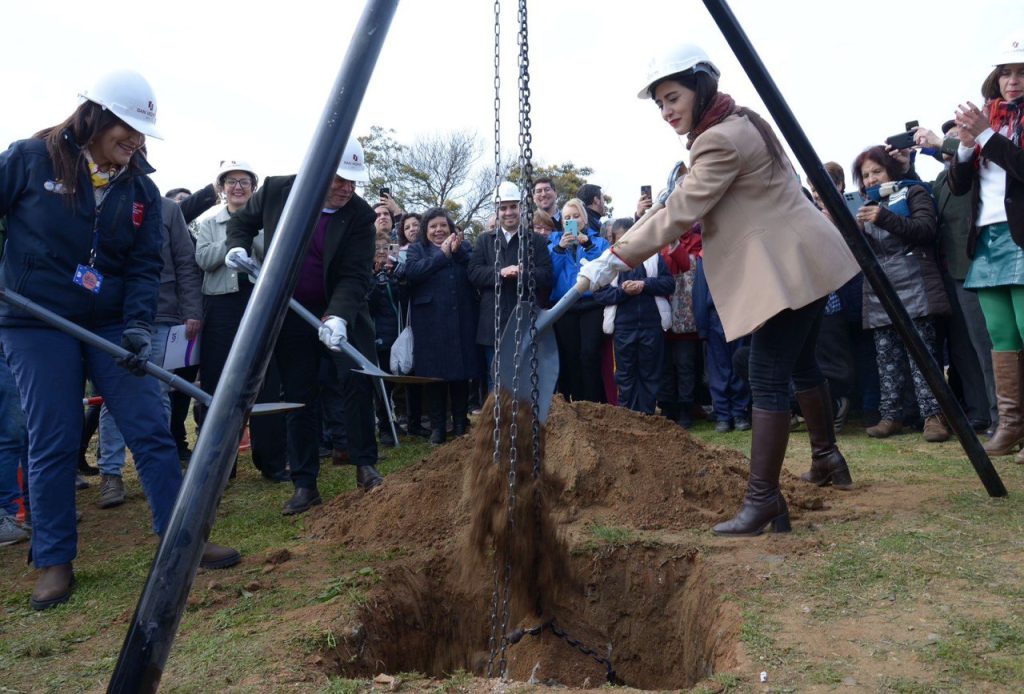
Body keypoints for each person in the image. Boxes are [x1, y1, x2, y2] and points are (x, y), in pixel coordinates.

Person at [579, 44, 859, 536]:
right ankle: (827, 458)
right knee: (799, 364)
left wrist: (614, 257)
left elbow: (678, 211)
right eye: (660, 104)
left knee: (765, 371)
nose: (667, 111)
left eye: (673, 98)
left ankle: (763, 499)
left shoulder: (719, 141)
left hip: (791, 264)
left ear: (700, 86)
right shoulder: (739, 122)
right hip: (808, 258)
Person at [0, 70, 239, 609]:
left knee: (151, 429)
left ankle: (184, 540)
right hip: (35, 322)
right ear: (96, 117)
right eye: (127, 128)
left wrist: (136, 326)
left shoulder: (141, 191)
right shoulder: (29, 159)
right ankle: (55, 560)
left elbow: (142, 265)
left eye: (141, 133)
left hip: (109, 323)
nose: (135, 141)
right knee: (54, 439)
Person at [225, 138, 385, 508]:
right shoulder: (279, 190)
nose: (348, 189)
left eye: (353, 182)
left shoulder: (359, 215)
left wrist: (339, 315)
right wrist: (237, 246)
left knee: (356, 382)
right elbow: (242, 222)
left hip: (341, 314)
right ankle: (305, 482)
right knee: (299, 394)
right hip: (291, 312)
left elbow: (355, 274)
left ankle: (365, 464)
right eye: (341, 180)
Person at [95, 192, 204, 508]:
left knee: (159, 393)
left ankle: (159, 473)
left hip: (163, 315)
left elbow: (185, 260)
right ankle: (110, 474)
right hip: (115, 318)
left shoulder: (168, 210)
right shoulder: (101, 203)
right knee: (115, 397)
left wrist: (192, 310)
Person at [949, 40, 1024, 460]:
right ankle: (1012, 424)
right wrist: (964, 144)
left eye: (1021, 72)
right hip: (988, 236)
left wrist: (985, 134)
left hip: (1021, 235)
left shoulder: (995, 127)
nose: (1012, 82)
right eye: (1005, 73)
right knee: (1001, 336)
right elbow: (959, 186)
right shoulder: (988, 121)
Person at [195, 160, 288, 482]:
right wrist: (233, 240)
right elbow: (204, 259)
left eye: (245, 182)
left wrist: (247, 231)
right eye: (231, 181)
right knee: (218, 383)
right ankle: (220, 464)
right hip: (220, 307)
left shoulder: (268, 221)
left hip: (258, 304)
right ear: (222, 188)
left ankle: (273, 461)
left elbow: (276, 253)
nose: (238, 187)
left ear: (253, 188)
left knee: (266, 380)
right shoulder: (208, 223)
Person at [851, 146, 951, 442]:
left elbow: (925, 230)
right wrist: (851, 229)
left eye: (876, 171)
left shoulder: (913, 192)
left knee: (923, 356)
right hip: (879, 289)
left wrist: (882, 217)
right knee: (887, 358)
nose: (871, 179)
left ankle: (934, 417)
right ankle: (891, 416)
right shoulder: (862, 205)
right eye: (865, 175)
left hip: (915, 283)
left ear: (891, 170)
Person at [404, 208, 479, 443]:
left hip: (461, 319)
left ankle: (459, 423)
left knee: (460, 374)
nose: (438, 230)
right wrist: (442, 255)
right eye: (433, 226)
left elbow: (474, 271)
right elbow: (413, 273)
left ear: (450, 228)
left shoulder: (464, 248)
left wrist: (456, 253)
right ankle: (438, 426)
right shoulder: (417, 250)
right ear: (426, 231)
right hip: (430, 322)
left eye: (443, 226)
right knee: (434, 376)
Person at [468, 182, 553, 381]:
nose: (508, 212)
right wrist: (500, 273)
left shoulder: (536, 241)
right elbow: (473, 273)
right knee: (495, 379)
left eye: (513, 206)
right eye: (503, 208)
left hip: (525, 319)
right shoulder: (484, 240)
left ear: (521, 208)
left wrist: (521, 274)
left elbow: (547, 275)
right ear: (496, 211)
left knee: (526, 378)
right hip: (493, 322)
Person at [594, 218, 674, 413]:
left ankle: (648, 415)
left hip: (651, 324)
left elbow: (669, 284)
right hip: (623, 326)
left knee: (651, 373)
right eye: (622, 240)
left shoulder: (653, 257)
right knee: (625, 375)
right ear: (614, 240)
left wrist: (644, 285)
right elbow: (599, 293)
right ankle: (628, 416)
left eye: (632, 239)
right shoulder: (607, 261)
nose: (627, 245)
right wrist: (623, 292)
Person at [549, 197, 611, 403]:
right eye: (567, 217)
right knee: (571, 355)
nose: (572, 220)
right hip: (565, 306)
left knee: (590, 353)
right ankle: (576, 401)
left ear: (584, 219)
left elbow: (604, 270)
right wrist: (559, 249)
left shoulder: (599, 242)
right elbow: (550, 275)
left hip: (591, 303)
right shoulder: (553, 243)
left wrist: (589, 244)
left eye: (576, 216)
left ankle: (592, 402)